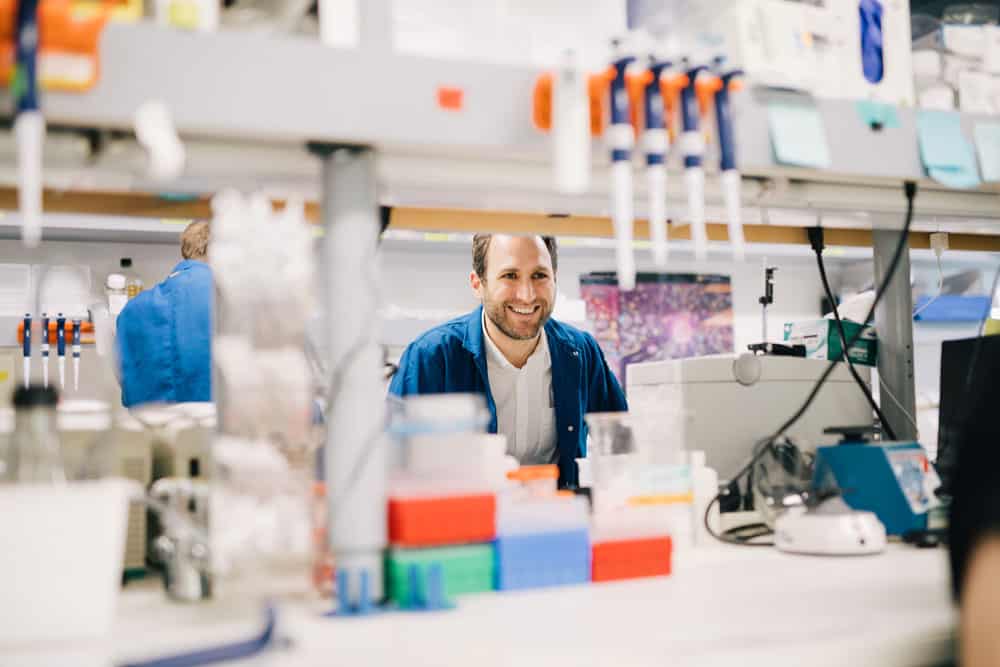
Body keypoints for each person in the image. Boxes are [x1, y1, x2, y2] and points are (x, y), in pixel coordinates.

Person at [388, 234, 627, 487]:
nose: (526, 295)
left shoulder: (581, 352)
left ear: (554, 278)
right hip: (463, 519)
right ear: (477, 284)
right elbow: (392, 466)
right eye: (510, 275)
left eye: (539, 275)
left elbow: (623, 446)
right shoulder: (431, 357)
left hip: (557, 520)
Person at [116, 221, 213, 407]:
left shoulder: (131, 311)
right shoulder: (225, 299)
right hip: (211, 430)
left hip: (151, 431)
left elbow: (123, 377)